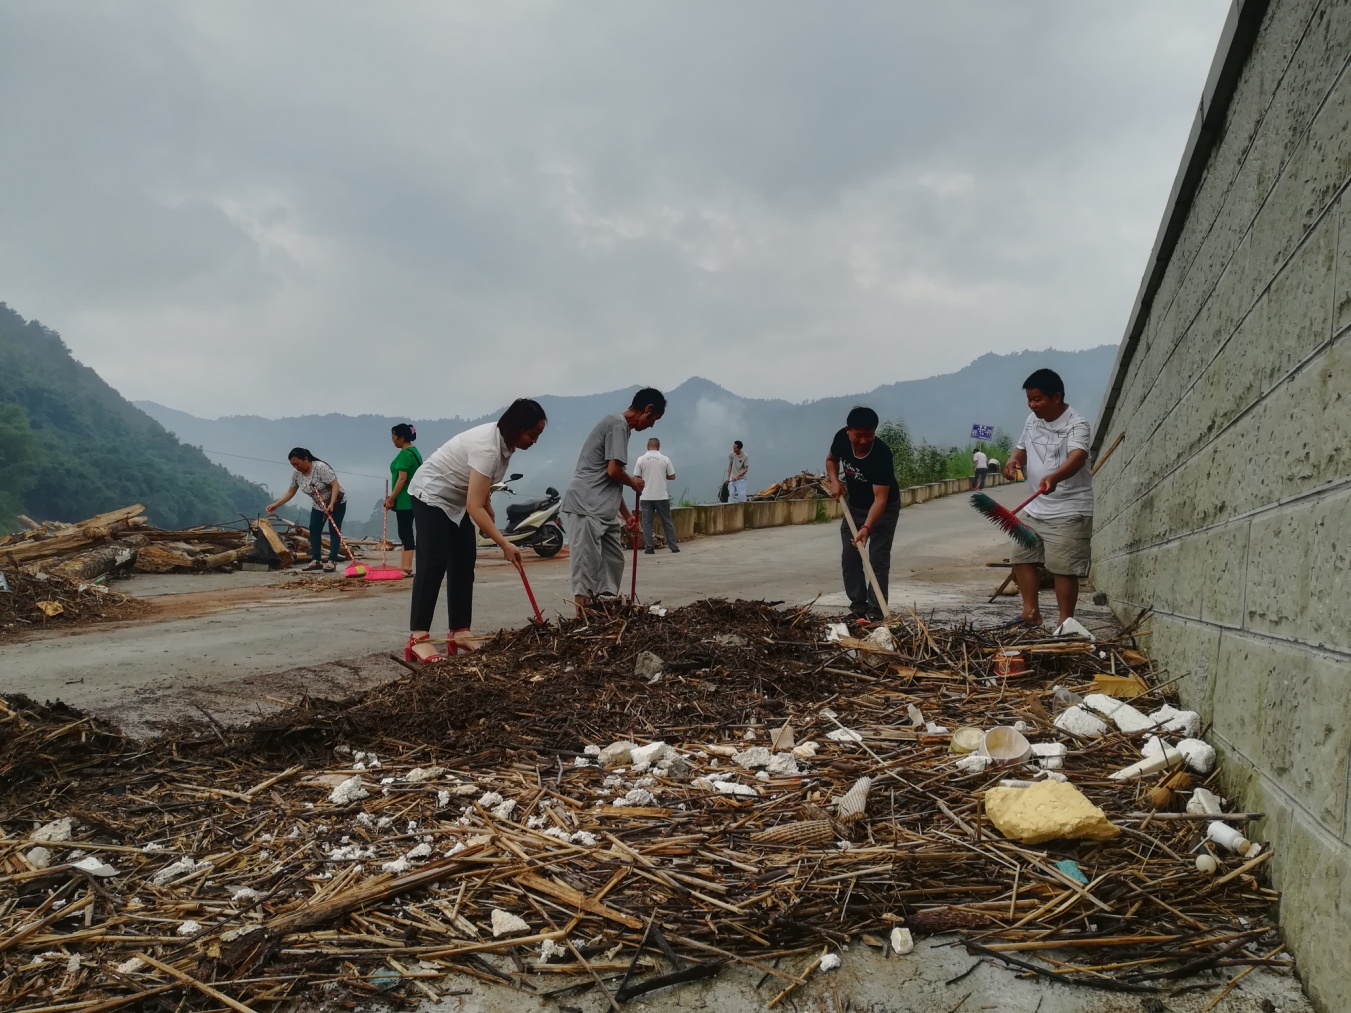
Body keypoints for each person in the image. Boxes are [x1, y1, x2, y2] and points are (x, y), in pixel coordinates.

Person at [404, 400, 548, 662]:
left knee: (463, 560)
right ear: (516, 427)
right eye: (532, 434)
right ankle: (418, 637)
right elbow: (474, 506)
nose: (535, 440)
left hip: (456, 501)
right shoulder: (488, 448)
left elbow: (479, 484)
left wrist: (488, 503)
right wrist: (504, 543)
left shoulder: (505, 444)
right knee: (433, 562)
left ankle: (460, 632)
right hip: (431, 495)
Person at [1002, 368, 1095, 631]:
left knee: (1062, 568)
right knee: (1021, 556)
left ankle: (1065, 622)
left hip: (1069, 509)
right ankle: (1030, 612)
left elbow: (1077, 457)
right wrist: (1012, 462)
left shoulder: (1077, 423)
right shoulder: (1033, 420)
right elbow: (1021, 449)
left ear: (1056, 397)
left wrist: (1054, 477)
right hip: (1034, 507)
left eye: (1038, 399)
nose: (1032, 405)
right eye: (1029, 400)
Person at [562, 387, 666, 616]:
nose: (652, 425)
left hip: (604, 508)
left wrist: (628, 517)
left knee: (613, 559)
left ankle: (602, 608)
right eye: (654, 419)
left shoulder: (623, 430)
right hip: (586, 503)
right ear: (647, 410)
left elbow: (612, 480)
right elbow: (613, 471)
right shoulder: (617, 423)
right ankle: (582, 617)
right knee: (586, 563)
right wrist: (634, 483)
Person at [825, 407, 901, 623]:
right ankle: (858, 607)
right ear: (848, 431)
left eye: (869, 435)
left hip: (884, 510)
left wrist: (867, 527)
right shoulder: (841, 439)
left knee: (878, 558)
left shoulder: (882, 454)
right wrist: (835, 480)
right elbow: (831, 460)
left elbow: (881, 499)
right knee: (850, 557)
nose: (864, 441)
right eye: (859, 436)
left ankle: (876, 611)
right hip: (855, 507)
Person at [266, 449, 346, 572]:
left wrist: (332, 504)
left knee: (333, 529)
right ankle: (316, 560)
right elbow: (291, 492)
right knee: (314, 529)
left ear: (306, 459)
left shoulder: (320, 468)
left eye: (297, 464)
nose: (296, 467)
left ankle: (332, 561)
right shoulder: (297, 474)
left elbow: (335, 485)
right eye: (293, 465)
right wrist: (276, 504)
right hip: (318, 504)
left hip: (335, 501)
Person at [383, 423, 423, 576]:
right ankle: (403, 565)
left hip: (405, 500)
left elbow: (402, 479)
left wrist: (391, 498)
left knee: (405, 533)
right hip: (412, 498)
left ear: (401, 438)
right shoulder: (414, 452)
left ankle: (406, 567)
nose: (392, 440)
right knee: (405, 532)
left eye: (394, 437)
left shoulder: (405, 454)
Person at [634, 437, 679, 555]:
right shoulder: (665, 459)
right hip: (661, 496)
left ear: (647, 446)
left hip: (646, 496)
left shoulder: (641, 459)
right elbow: (672, 476)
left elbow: (636, 478)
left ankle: (649, 547)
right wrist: (661, 476)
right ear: (659, 447)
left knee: (647, 523)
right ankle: (673, 546)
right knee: (666, 521)